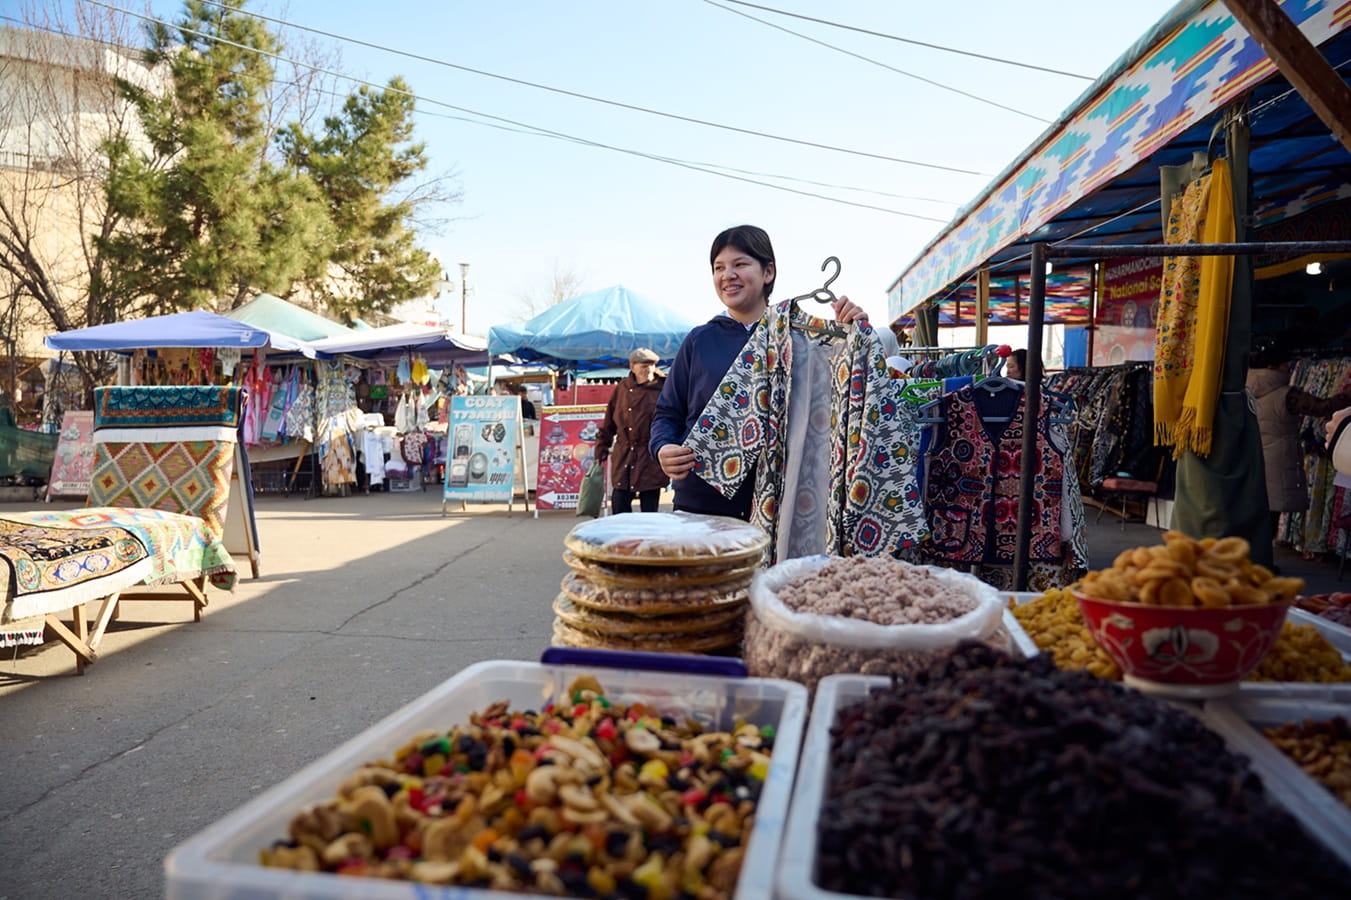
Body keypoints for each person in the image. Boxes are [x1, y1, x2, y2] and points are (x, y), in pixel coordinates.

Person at [649, 224, 867, 520]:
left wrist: (856, 337)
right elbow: (667, 413)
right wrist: (663, 448)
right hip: (701, 502)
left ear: (768, 272)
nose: (728, 275)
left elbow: (845, 405)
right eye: (719, 267)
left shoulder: (802, 340)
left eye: (740, 264)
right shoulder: (699, 341)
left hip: (784, 505)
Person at [1249, 335, 1351, 543]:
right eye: (1284, 364)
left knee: (1256, 511)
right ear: (1272, 366)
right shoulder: (1287, 395)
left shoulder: (1245, 388)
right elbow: (1323, 408)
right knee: (1269, 516)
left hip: (1251, 456)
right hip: (1278, 459)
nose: (1288, 367)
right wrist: (1347, 395)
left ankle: (1254, 556)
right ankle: (1262, 560)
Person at [594, 348, 667, 513]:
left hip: (650, 455)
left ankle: (648, 539)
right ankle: (622, 539)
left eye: (651, 364)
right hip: (625, 454)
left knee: (649, 509)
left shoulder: (664, 388)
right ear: (632, 366)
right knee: (620, 503)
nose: (648, 369)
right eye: (643, 365)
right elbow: (609, 421)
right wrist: (601, 447)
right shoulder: (622, 388)